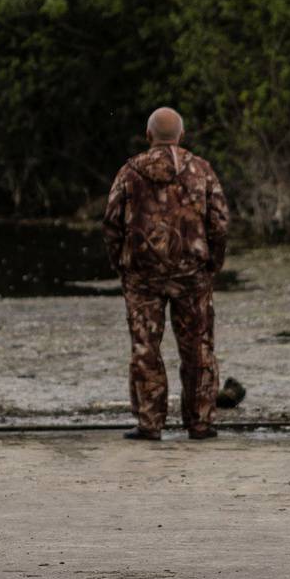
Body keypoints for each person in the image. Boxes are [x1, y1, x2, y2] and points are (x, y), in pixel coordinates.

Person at [102, 107, 230, 441]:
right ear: (181, 137)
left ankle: (150, 423)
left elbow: (111, 223)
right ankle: (200, 423)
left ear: (148, 136)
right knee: (199, 348)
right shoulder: (201, 170)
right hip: (193, 275)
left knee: (146, 348)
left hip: (142, 277)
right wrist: (213, 263)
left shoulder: (129, 173)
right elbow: (220, 222)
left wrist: (121, 264)